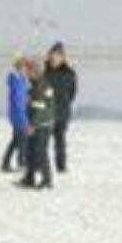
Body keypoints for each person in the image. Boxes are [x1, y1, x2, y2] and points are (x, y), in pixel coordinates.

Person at [16, 59, 57, 189]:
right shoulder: (34, 85)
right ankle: (29, 178)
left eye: (28, 71)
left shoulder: (43, 86)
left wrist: (32, 124)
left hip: (42, 125)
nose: (26, 74)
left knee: (40, 152)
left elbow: (40, 108)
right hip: (35, 123)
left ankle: (47, 180)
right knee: (30, 152)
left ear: (34, 72)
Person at [44, 42, 78, 173]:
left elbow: (72, 93)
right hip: (46, 112)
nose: (54, 58)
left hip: (62, 112)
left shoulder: (69, 74)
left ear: (63, 57)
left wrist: (65, 103)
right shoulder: (44, 72)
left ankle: (61, 166)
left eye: (57, 56)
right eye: (52, 56)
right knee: (41, 141)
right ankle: (41, 166)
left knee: (60, 141)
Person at [0, 56, 29, 172]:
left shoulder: (22, 81)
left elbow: (25, 98)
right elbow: (17, 100)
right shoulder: (16, 81)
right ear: (18, 67)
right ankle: (21, 163)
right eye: (23, 67)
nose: (25, 70)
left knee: (16, 140)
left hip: (22, 114)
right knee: (22, 140)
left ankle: (5, 163)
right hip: (18, 115)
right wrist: (23, 117)